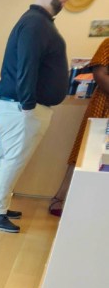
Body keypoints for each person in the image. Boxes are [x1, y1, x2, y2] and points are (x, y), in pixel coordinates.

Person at [0, 0, 70, 233]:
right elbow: (27, 65)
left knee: (5, 159)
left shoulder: (37, 22)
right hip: (22, 107)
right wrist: (28, 104)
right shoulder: (36, 24)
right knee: (12, 160)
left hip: (17, 106)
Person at [50, 37, 109, 215]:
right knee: (86, 154)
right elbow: (100, 73)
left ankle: (97, 207)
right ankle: (61, 198)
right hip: (104, 105)